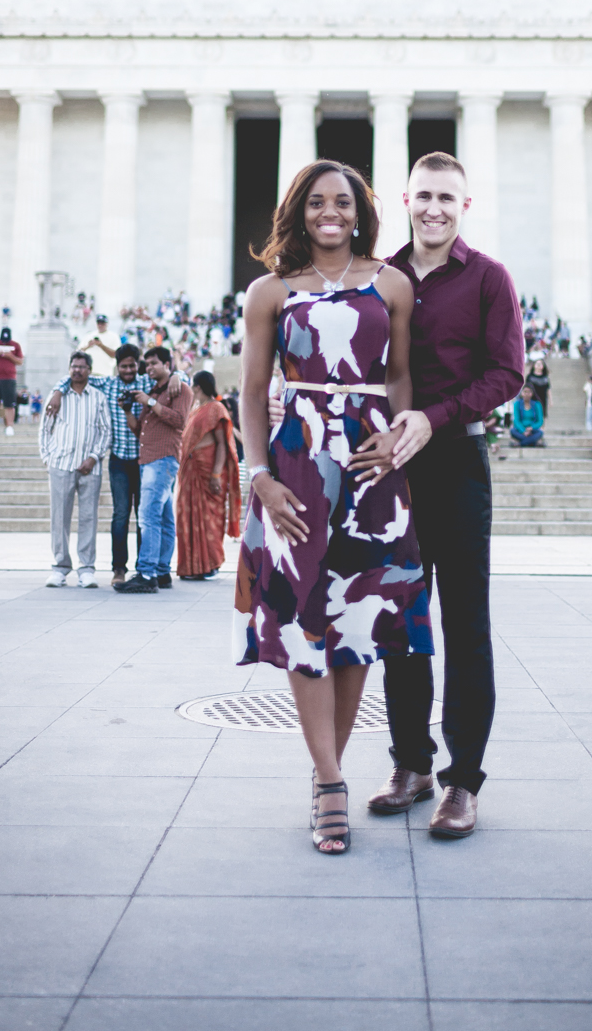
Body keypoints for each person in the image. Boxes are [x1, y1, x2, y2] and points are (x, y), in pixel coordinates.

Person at [239, 159, 432, 854]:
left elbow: (401, 376)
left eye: (343, 203)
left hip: (373, 465)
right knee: (302, 622)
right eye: (317, 202)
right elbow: (252, 389)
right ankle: (329, 782)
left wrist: (398, 442)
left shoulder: (391, 283)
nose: (331, 213)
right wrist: (258, 477)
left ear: (360, 212)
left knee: (360, 623)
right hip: (298, 464)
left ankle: (332, 775)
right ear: (299, 211)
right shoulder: (270, 292)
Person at [349, 152, 523, 840]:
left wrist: (435, 416)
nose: (435, 209)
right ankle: (412, 766)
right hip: (393, 468)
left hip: (455, 460)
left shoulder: (487, 279)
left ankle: (462, 782)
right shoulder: (379, 279)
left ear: (465, 206)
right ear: (405, 200)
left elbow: (506, 372)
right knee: (402, 624)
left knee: (465, 627)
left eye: (448, 198)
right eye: (424, 196)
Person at [48, 344, 183, 585]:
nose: (129, 370)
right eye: (124, 366)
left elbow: (168, 378)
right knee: (121, 514)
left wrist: (176, 375)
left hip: (146, 459)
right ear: (116, 367)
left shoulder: (146, 383)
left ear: (138, 365)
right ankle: (118, 569)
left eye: (132, 365)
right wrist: (58, 391)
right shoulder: (108, 384)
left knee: (146, 516)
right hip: (119, 459)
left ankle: (145, 568)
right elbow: (77, 376)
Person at [114, 346, 193, 594]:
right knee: (165, 519)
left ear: (168, 364)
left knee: (147, 517)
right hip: (149, 459)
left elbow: (179, 421)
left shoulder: (179, 388)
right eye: (146, 364)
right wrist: (128, 410)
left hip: (163, 459)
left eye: (153, 364)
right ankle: (161, 571)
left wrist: (149, 401)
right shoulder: (154, 391)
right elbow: (140, 431)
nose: (148, 368)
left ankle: (146, 573)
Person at [39, 351, 112, 588]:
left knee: (88, 517)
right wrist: (48, 457)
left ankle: (87, 569)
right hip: (61, 464)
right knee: (59, 518)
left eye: (82, 367)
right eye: (73, 366)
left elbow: (105, 431)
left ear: (89, 370)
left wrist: (93, 457)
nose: (77, 370)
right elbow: (45, 428)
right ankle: (60, 567)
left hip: (90, 468)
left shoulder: (98, 397)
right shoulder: (57, 395)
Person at [175, 369, 241, 579]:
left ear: (197, 387)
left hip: (207, 471)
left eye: (193, 386)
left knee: (210, 517)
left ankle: (210, 564)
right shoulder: (196, 409)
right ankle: (191, 567)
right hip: (189, 471)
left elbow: (223, 444)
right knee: (186, 516)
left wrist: (215, 475)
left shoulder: (216, 409)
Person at [0, 327, 24, 436]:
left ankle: (10, 426)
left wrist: (10, 356)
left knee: (9, 404)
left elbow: (20, 361)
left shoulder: (15, 345)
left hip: (9, 378)